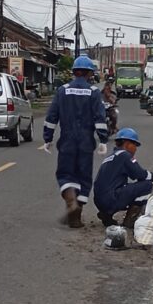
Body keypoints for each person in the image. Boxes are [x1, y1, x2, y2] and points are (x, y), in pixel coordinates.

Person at [43, 55, 109, 228]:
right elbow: (100, 118)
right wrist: (103, 140)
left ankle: (71, 202)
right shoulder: (93, 92)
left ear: (73, 72)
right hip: (86, 141)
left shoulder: (62, 91)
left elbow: (51, 117)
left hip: (67, 141)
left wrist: (47, 138)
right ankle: (76, 216)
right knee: (83, 178)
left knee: (65, 174)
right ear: (90, 73)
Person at [93, 127, 153, 228]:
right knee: (148, 185)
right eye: (135, 145)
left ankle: (107, 215)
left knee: (126, 186)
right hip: (111, 199)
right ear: (127, 143)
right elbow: (140, 174)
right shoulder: (125, 155)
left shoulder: (111, 157)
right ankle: (129, 220)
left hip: (99, 201)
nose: (135, 148)